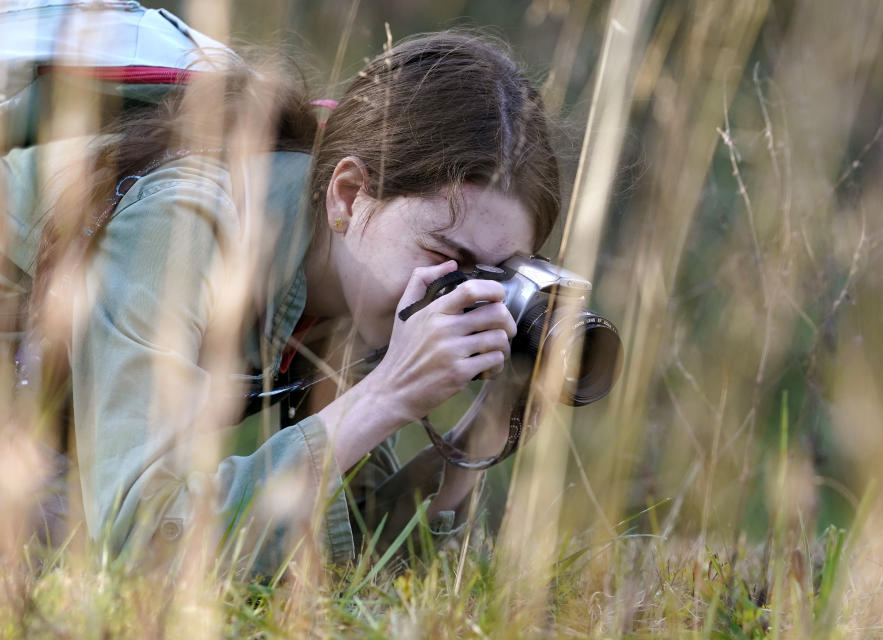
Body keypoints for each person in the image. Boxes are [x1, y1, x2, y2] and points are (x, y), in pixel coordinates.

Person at [1, 31, 560, 573]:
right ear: (347, 194)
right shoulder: (183, 224)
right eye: (445, 252)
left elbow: (353, 550)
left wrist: (484, 427)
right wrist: (385, 396)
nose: (463, 292)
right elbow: (138, 538)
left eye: (498, 274)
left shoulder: (350, 285)